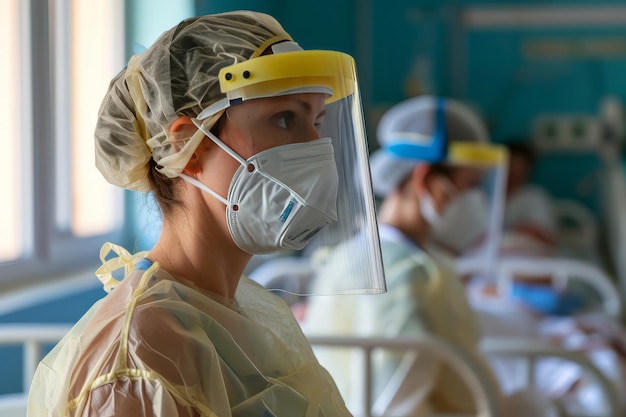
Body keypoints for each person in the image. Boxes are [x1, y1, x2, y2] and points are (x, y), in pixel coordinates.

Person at [27, 11, 386, 416]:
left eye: (316, 120)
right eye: (284, 119)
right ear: (189, 146)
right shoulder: (137, 360)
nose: (314, 147)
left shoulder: (244, 311)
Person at [303, 95, 558, 417]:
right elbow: (395, 405)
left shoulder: (412, 260)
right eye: (468, 187)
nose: (474, 203)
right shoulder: (397, 274)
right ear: (425, 179)